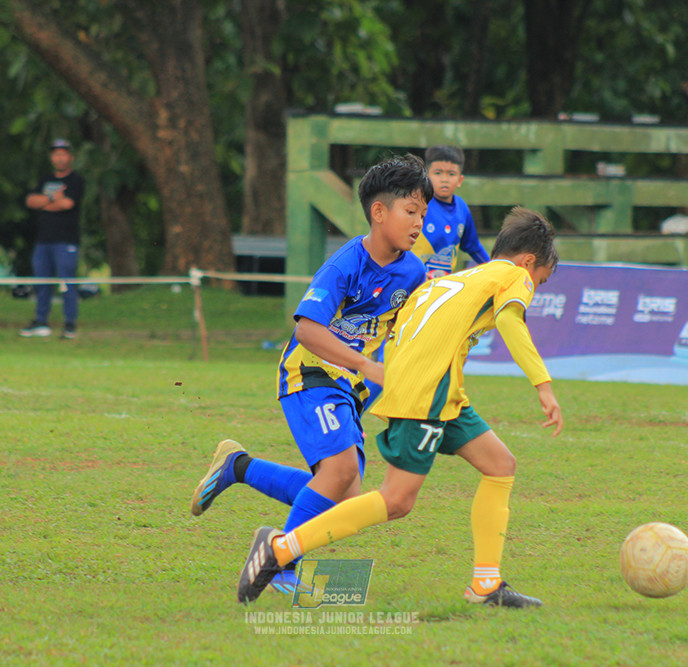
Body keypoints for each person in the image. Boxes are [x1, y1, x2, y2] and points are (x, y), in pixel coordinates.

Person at [237, 206, 564, 608]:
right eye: (541, 280)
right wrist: (543, 386)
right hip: (428, 393)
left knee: (500, 464)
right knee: (396, 500)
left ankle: (486, 584)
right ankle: (281, 549)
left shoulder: (457, 278)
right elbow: (513, 322)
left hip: (437, 391)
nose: (535, 287)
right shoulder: (513, 275)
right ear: (528, 262)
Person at [192, 154, 433, 593]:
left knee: (344, 497)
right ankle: (280, 559)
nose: (419, 224)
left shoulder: (413, 271)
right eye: (411, 212)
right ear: (379, 212)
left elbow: (409, 330)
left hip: (351, 391)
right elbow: (305, 328)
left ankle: (238, 466)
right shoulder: (345, 265)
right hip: (309, 374)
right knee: (339, 474)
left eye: (423, 214)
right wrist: (364, 364)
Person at [20, 138, 84, 339]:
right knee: (41, 281)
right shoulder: (45, 180)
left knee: (67, 281)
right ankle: (41, 321)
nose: (60, 157)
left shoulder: (75, 181)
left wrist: (46, 204)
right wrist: (50, 199)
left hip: (66, 240)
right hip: (43, 240)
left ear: (70, 157)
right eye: (56, 153)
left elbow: (66, 204)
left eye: (63, 153)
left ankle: (70, 324)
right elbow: (31, 201)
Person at [411, 145, 490, 279]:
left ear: (460, 180)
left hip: (443, 286)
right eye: (438, 173)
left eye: (451, 174)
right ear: (427, 176)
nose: (444, 179)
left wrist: (494, 268)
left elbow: (473, 246)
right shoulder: (419, 204)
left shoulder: (462, 209)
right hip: (414, 282)